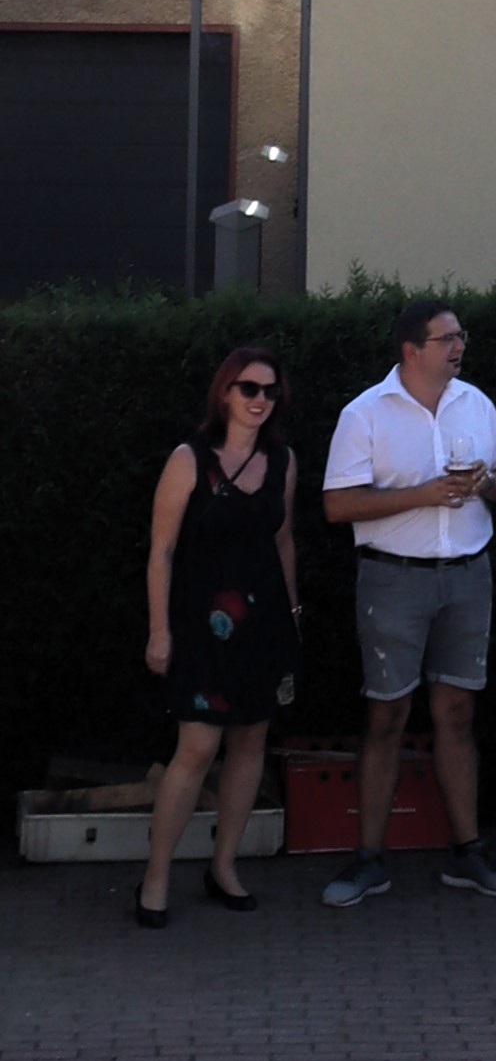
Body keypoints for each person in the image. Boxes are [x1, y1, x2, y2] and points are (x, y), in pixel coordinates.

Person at [319, 297, 496, 907]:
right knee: (386, 716)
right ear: (411, 351)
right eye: (447, 339)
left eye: (461, 336)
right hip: (393, 578)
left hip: (468, 574)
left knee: (457, 713)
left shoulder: (476, 403)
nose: (459, 346)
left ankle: (469, 852)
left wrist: (486, 483)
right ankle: (368, 860)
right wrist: (423, 495)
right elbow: (337, 505)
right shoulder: (365, 412)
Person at [136, 348, 296, 919]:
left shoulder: (283, 461)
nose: (260, 400)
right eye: (249, 388)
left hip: (264, 625)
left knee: (251, 743)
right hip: (200, 626)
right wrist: (159, 631)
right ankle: (156, 875)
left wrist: (294, 615)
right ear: (224, 391)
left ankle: (223, 866)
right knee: (198, 747)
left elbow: (283, 541)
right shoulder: (190, 459)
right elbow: (161, 551)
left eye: (270, 391)